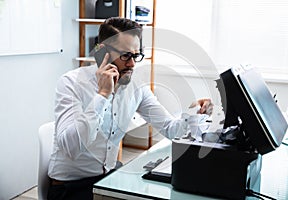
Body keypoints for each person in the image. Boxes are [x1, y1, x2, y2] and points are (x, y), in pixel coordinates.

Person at [47, 17, 213, 200]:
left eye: (136, 55)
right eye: (125, 55)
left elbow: (171, 129)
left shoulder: (136, 87)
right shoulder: (71, 83)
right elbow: (72, 148)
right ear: (103, 53)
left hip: (107, 177)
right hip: (71, 187)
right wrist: (102, 95)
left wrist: (194, 113)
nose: (132, 64)